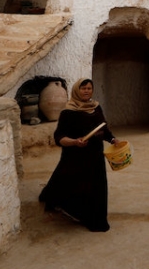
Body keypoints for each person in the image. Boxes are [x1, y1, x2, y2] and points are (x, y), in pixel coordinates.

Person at [39, 78, 118, 232]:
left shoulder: (96, 108)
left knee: (96, 188)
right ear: (76, 90)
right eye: (83, 88)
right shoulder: (68, 112)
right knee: (73, 185)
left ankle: (96, 221)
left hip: (95, 157)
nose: (86, 91)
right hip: (75, 158)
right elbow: (59, 137)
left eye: (89, 88)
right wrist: (75, 142)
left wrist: (113, 139)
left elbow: (104, 129)